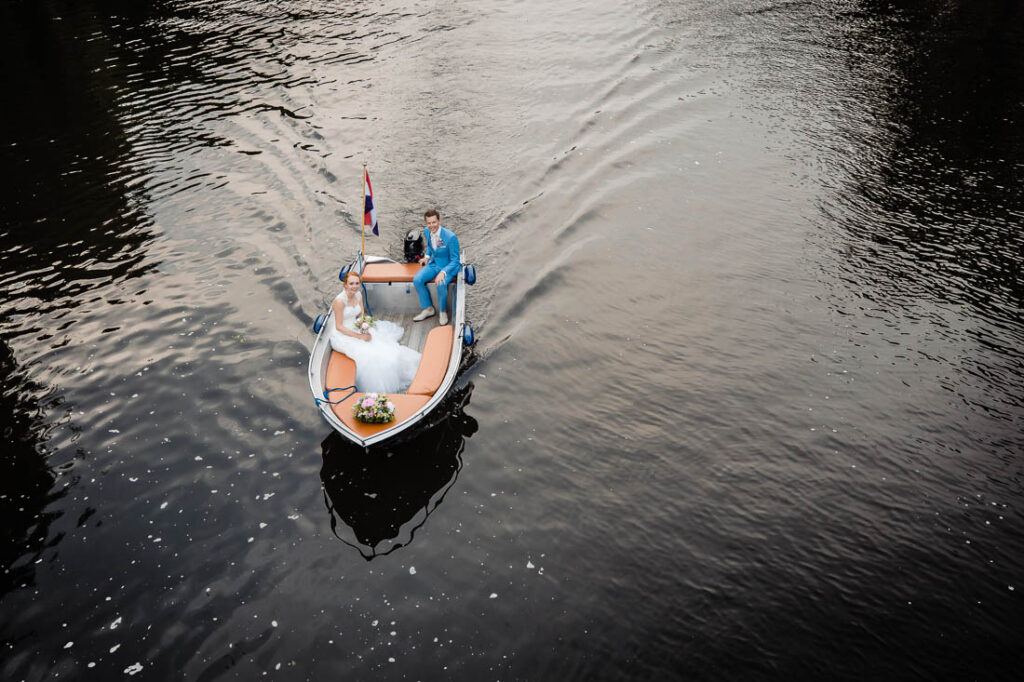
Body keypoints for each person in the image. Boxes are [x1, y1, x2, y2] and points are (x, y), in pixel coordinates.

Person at [329, 271, 421, 393]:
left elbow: (361, 314)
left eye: (357, 283)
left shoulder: (358, 295)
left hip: (356, 328)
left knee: (386, 349)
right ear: (345, 285)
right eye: (351, 284)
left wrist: (364, 326)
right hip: (342, 335)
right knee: (371, 357)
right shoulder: (339, 302)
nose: (355, 286)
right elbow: (339, 327)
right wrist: (360, 336)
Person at [412, 209, 460, 326]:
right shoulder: (426, 231)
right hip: (434, 263)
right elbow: (431, 247)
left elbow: (455, 260)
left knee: (441, 283)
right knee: (417, 279)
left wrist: (443, 272)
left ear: (439, 221)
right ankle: (428, 309)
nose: (431, 225)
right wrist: (427, 257)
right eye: (429, 223)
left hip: (448, 267)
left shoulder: (451, 237)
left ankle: (443, 311)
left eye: (434, 222)